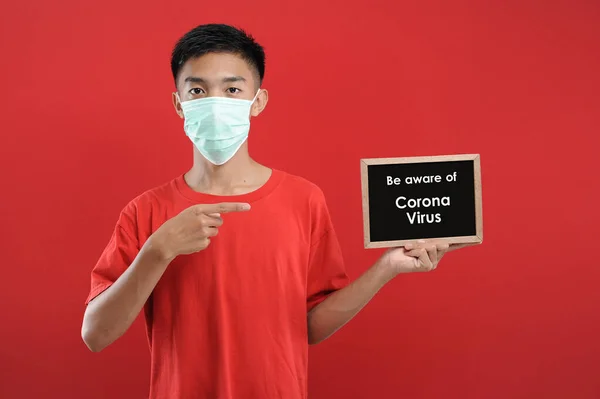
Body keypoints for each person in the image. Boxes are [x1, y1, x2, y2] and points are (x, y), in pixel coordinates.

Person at [81, 23, 467, 399]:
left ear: (258, 101)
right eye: (197, 90)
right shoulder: (145, 211)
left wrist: (387, 268)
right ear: (179, 104)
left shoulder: (304, 200)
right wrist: (158, 251)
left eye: (232, 89)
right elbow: (95, 334)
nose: (216, 103)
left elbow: (310, 327)